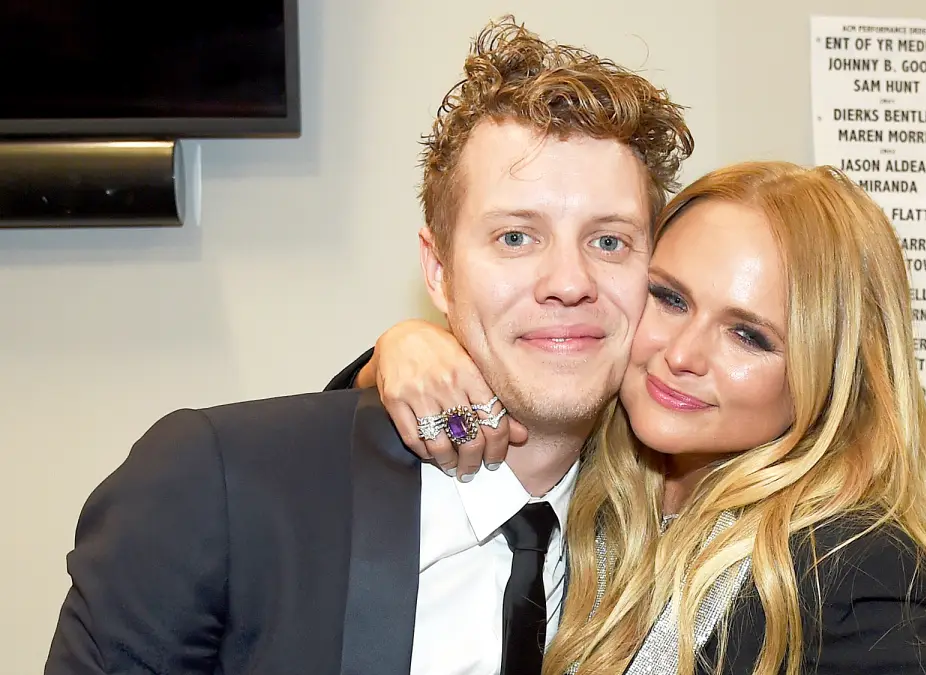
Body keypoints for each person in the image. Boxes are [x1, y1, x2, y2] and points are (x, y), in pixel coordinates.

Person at [44, 17, 693, 675]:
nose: (569, 283)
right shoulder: (221, 491)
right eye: (516, 238)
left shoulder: (681, 545)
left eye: (609, 240)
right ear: (438, 270)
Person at [330, 161, 926, 674]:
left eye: (749, 335)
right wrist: (402, 349)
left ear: (833, 374)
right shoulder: (591, 476)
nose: (682, 355)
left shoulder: (863, 572)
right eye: (669, 298)